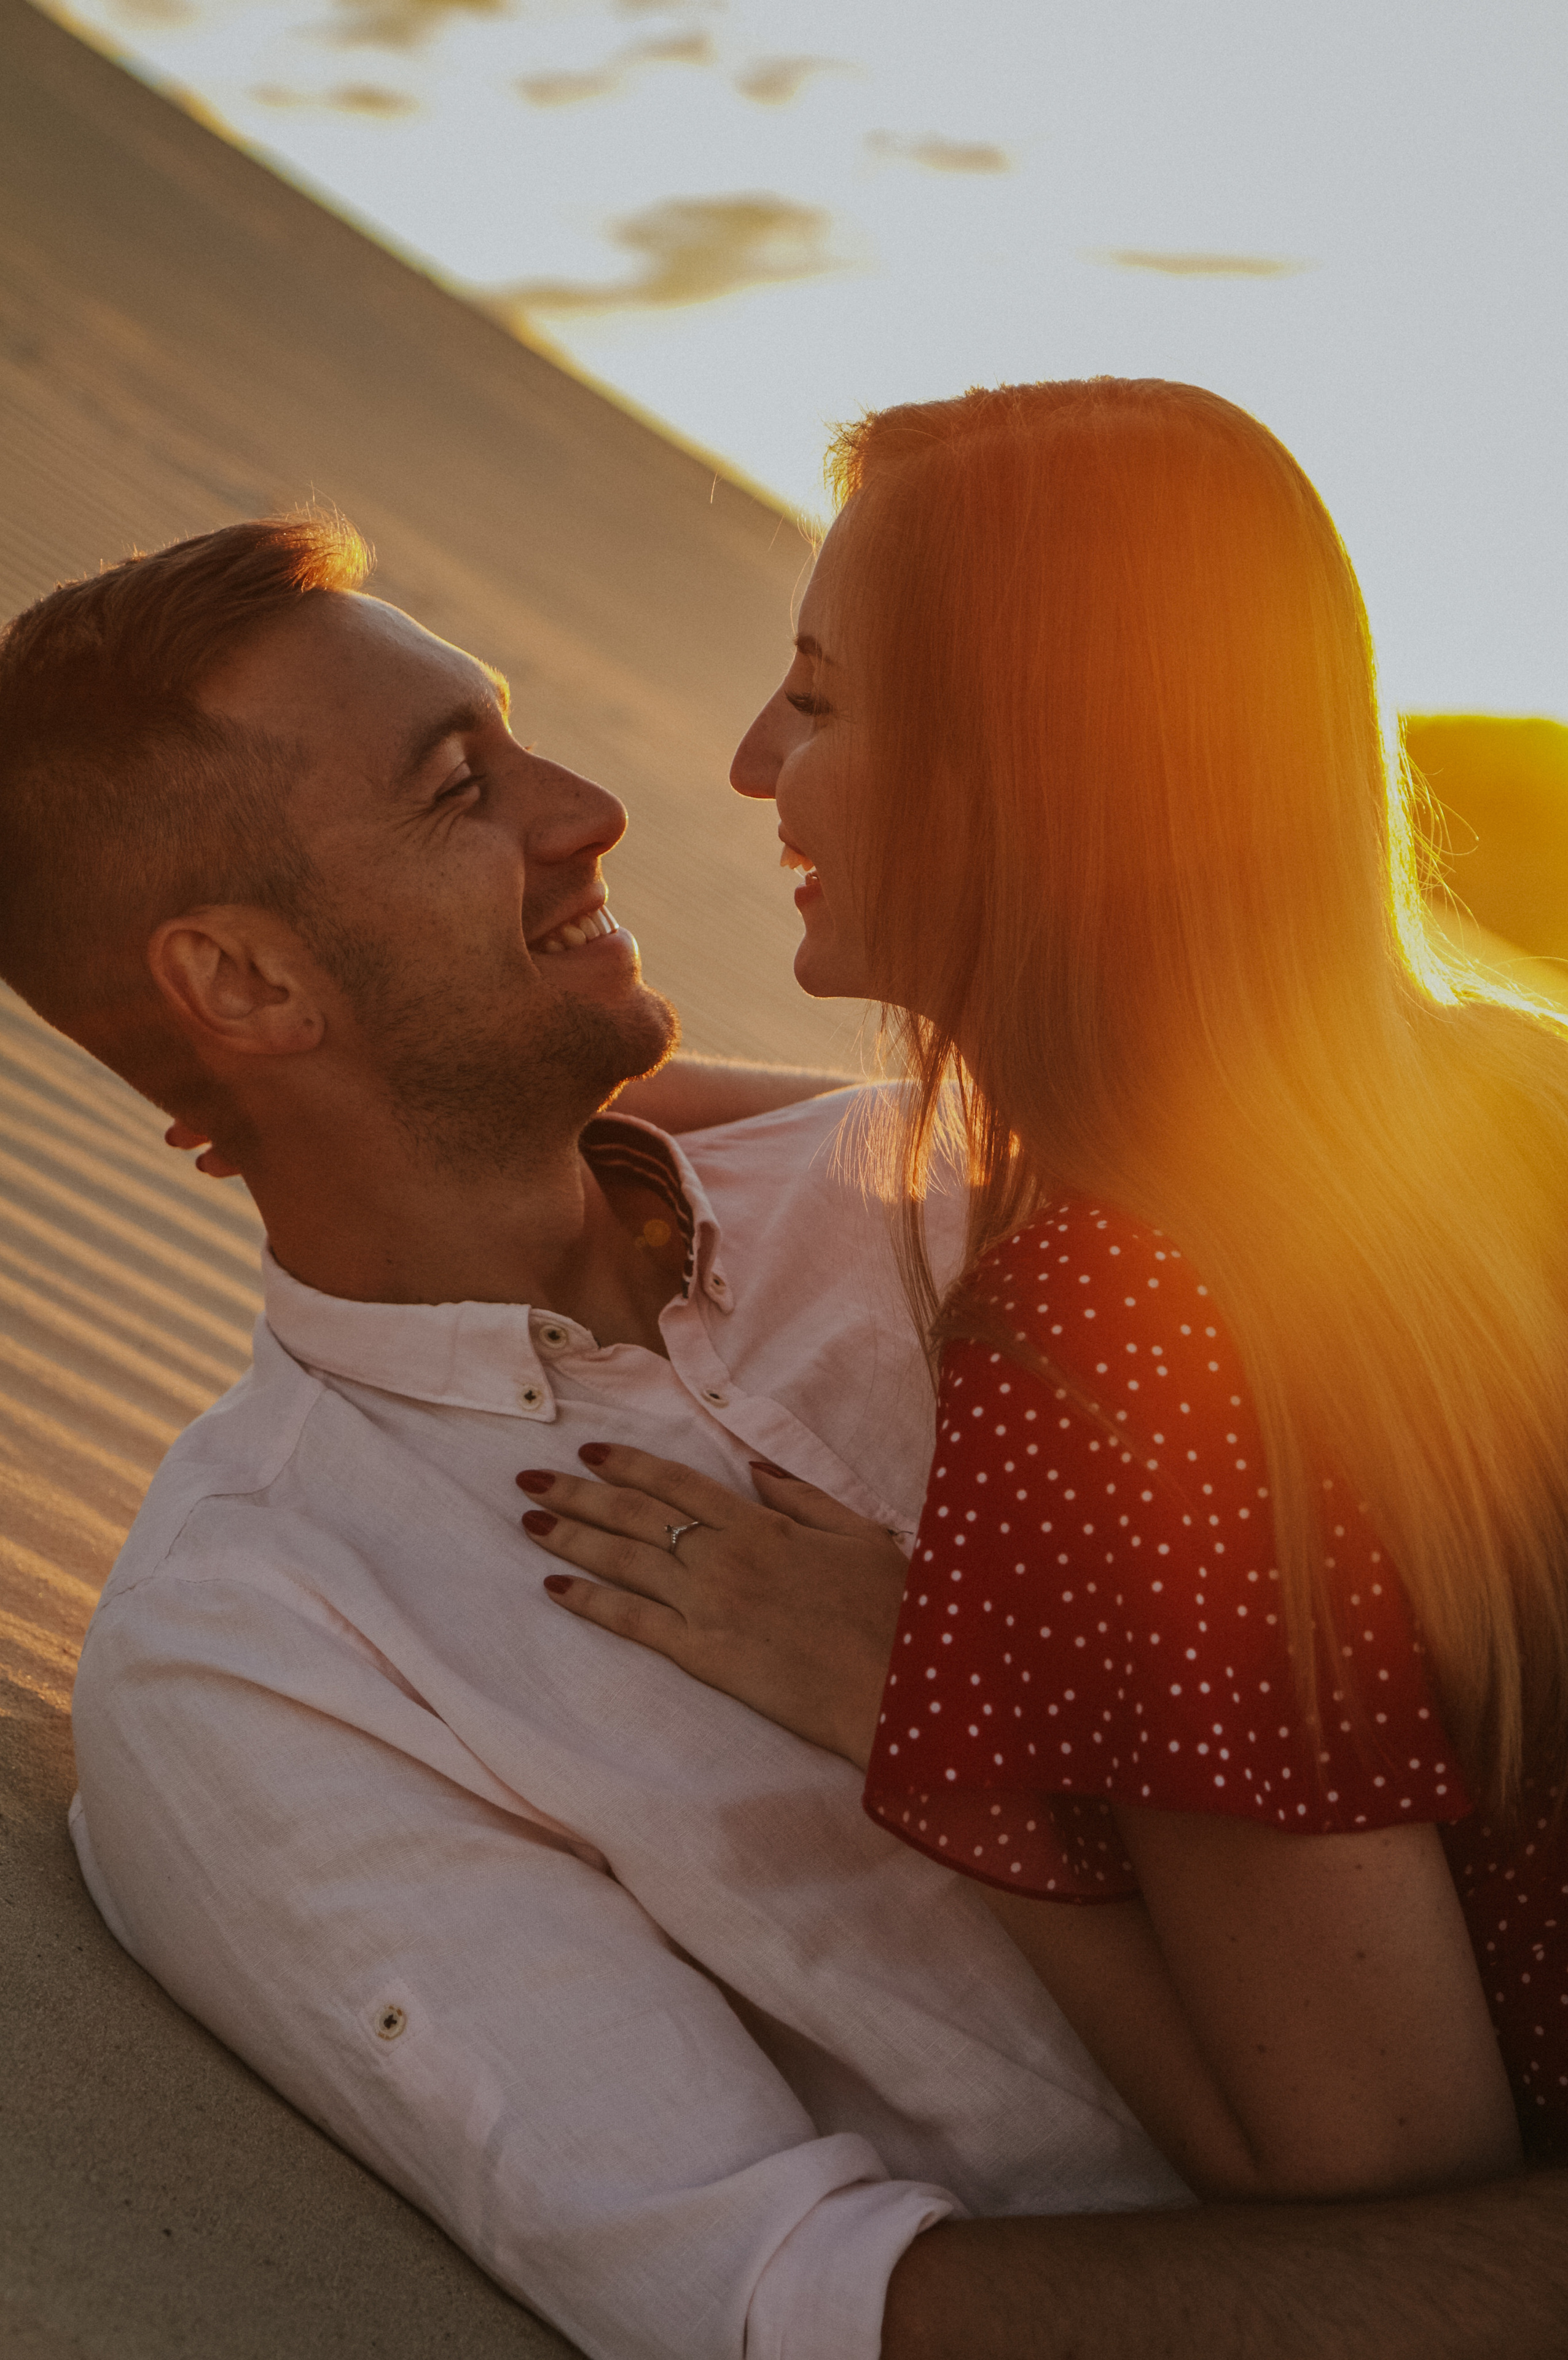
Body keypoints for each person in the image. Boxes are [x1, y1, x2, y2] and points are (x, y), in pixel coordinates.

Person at [0, 511, 1564, 2360]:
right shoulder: (268, 1653)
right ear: (246, 987)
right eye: (458, 788)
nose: (592, 807)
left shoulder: (982, 1183)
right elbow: (797, 2310)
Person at [520, 382, 1568, 2213]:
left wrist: (922, 1701)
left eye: (825, 698)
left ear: (1031, 768)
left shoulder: (1116, 1329)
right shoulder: (1497, 1088)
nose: (758, 763)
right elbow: (906, 1127)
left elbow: (1379, 2159)